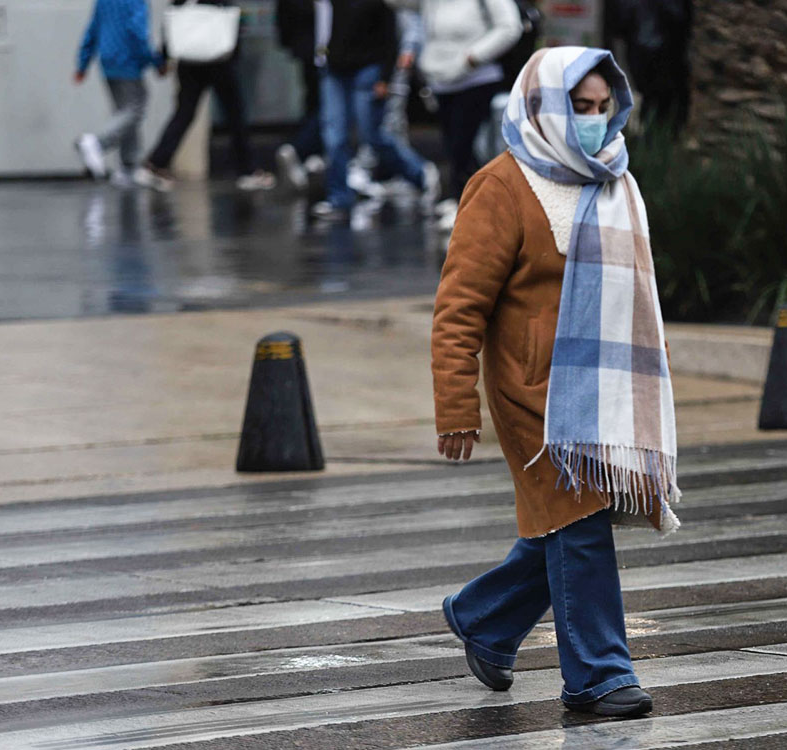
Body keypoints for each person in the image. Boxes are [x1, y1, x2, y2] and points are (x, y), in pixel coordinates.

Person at [430, 47, 680, 717]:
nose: (596, 122)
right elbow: (458, 308)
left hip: (602, 388)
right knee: (581, 522)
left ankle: (485, 620)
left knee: (567, 525)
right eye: (581, 107)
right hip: (532, 394)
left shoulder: (612, 178)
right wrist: (457, 409)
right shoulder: (501, 186)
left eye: (604, 108)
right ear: (542, 105)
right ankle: (599, 674)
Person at [310, 0, 439, 222]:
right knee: (334, 135)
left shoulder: (380, 5)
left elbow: (390, 38)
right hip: (335, 69)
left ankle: (418, 173)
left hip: (368, 69)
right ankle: (339, 197)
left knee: (371, 133)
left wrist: (384, 77)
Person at [385, 0, 523, 204]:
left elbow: (510, 27)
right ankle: (464, 201)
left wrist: (472, 58)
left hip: (477, 79)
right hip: (440, 80)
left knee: (467, 148)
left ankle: (470, 204)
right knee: (454, 147)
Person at [137, 0, 276, 193]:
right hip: (218, 58)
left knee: (185, 113)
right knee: (234, 113)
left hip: (189, 59)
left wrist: (166, 55)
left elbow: (173, 21)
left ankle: (155, 162)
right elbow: (231, 17)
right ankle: (247, 169)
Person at [73, 0, 166, 186]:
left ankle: (128, 167)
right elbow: (138, 33)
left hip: (107, 61)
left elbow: (93, 28)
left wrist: (83, 63)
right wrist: (156, 61)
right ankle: (97, 144)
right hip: (127, 61)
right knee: (135, 109)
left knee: (124, 111)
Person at [605, 0, 693, 134]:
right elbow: (619, 22)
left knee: (663, 99)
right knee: (649, 97)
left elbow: (681, 18)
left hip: (664, 54)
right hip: (643, 52)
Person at [274, 0, 324, 192]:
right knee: (327, 106)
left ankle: (312, 150)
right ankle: (301, 149)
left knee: (315, 101)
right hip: (323, 49)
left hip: (314, 47)